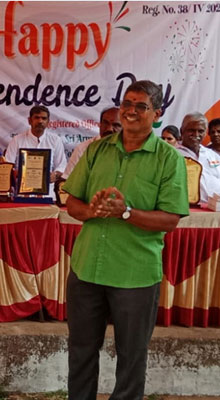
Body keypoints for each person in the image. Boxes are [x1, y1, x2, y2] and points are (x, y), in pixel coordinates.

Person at [63, 80, 189, 400]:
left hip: (135, 273)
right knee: (80, 351)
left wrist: (126, 213)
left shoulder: (169, 158)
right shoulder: (96, 150)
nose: (131, 111)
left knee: (131, 358)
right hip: (87, 268)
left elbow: (170, 219)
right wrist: (91, 211)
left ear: (157, 114)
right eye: (127, 104)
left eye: (141, 106)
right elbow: (72, 202)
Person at [5, 105, 66, 197]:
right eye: (37, 118)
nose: (40, 121)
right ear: (30, 120)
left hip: (48, 195)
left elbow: (62, 166)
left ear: (48, 122)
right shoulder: (17, 140)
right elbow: (7, 166)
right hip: (22, 195)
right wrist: (18, 173)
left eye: (44, 118)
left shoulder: (55, 140)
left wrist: (55, 175)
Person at [63, 107, 122, 178]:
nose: (109, 129)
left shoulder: (129, 151)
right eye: (105, 123)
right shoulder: (83, 149)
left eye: (116, 125)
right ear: (100, 125)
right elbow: (67, 179)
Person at [176, 112, 220, 202]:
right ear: (182, 131)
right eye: (191, 130)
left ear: (205, 132)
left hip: (215, 207)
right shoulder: (173, 154)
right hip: (187, 207)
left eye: (200, 131)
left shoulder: (212, 155)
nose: (196, 134)